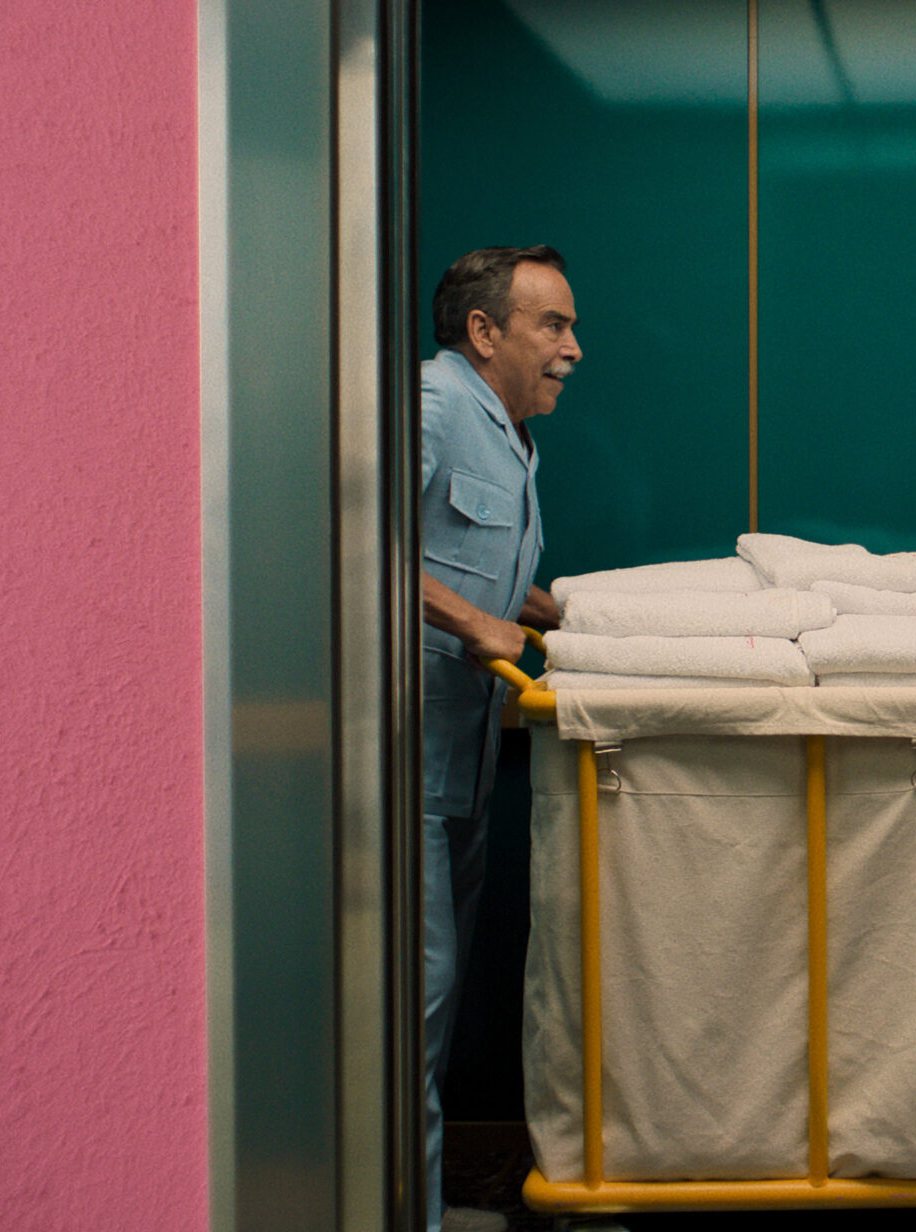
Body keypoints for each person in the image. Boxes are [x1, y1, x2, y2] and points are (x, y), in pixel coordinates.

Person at [418, 245, 578, 1232]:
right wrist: (476, 625)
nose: (574, 348)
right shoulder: (431, 408)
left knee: (428, 1010)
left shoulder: (509, 437)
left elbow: (460, 563)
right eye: (553, 325)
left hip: (464, 763)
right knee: (419, 1001)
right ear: (485, 331)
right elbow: (343, 543)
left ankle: (412, 1197)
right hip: (401, 769)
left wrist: (552, 611)